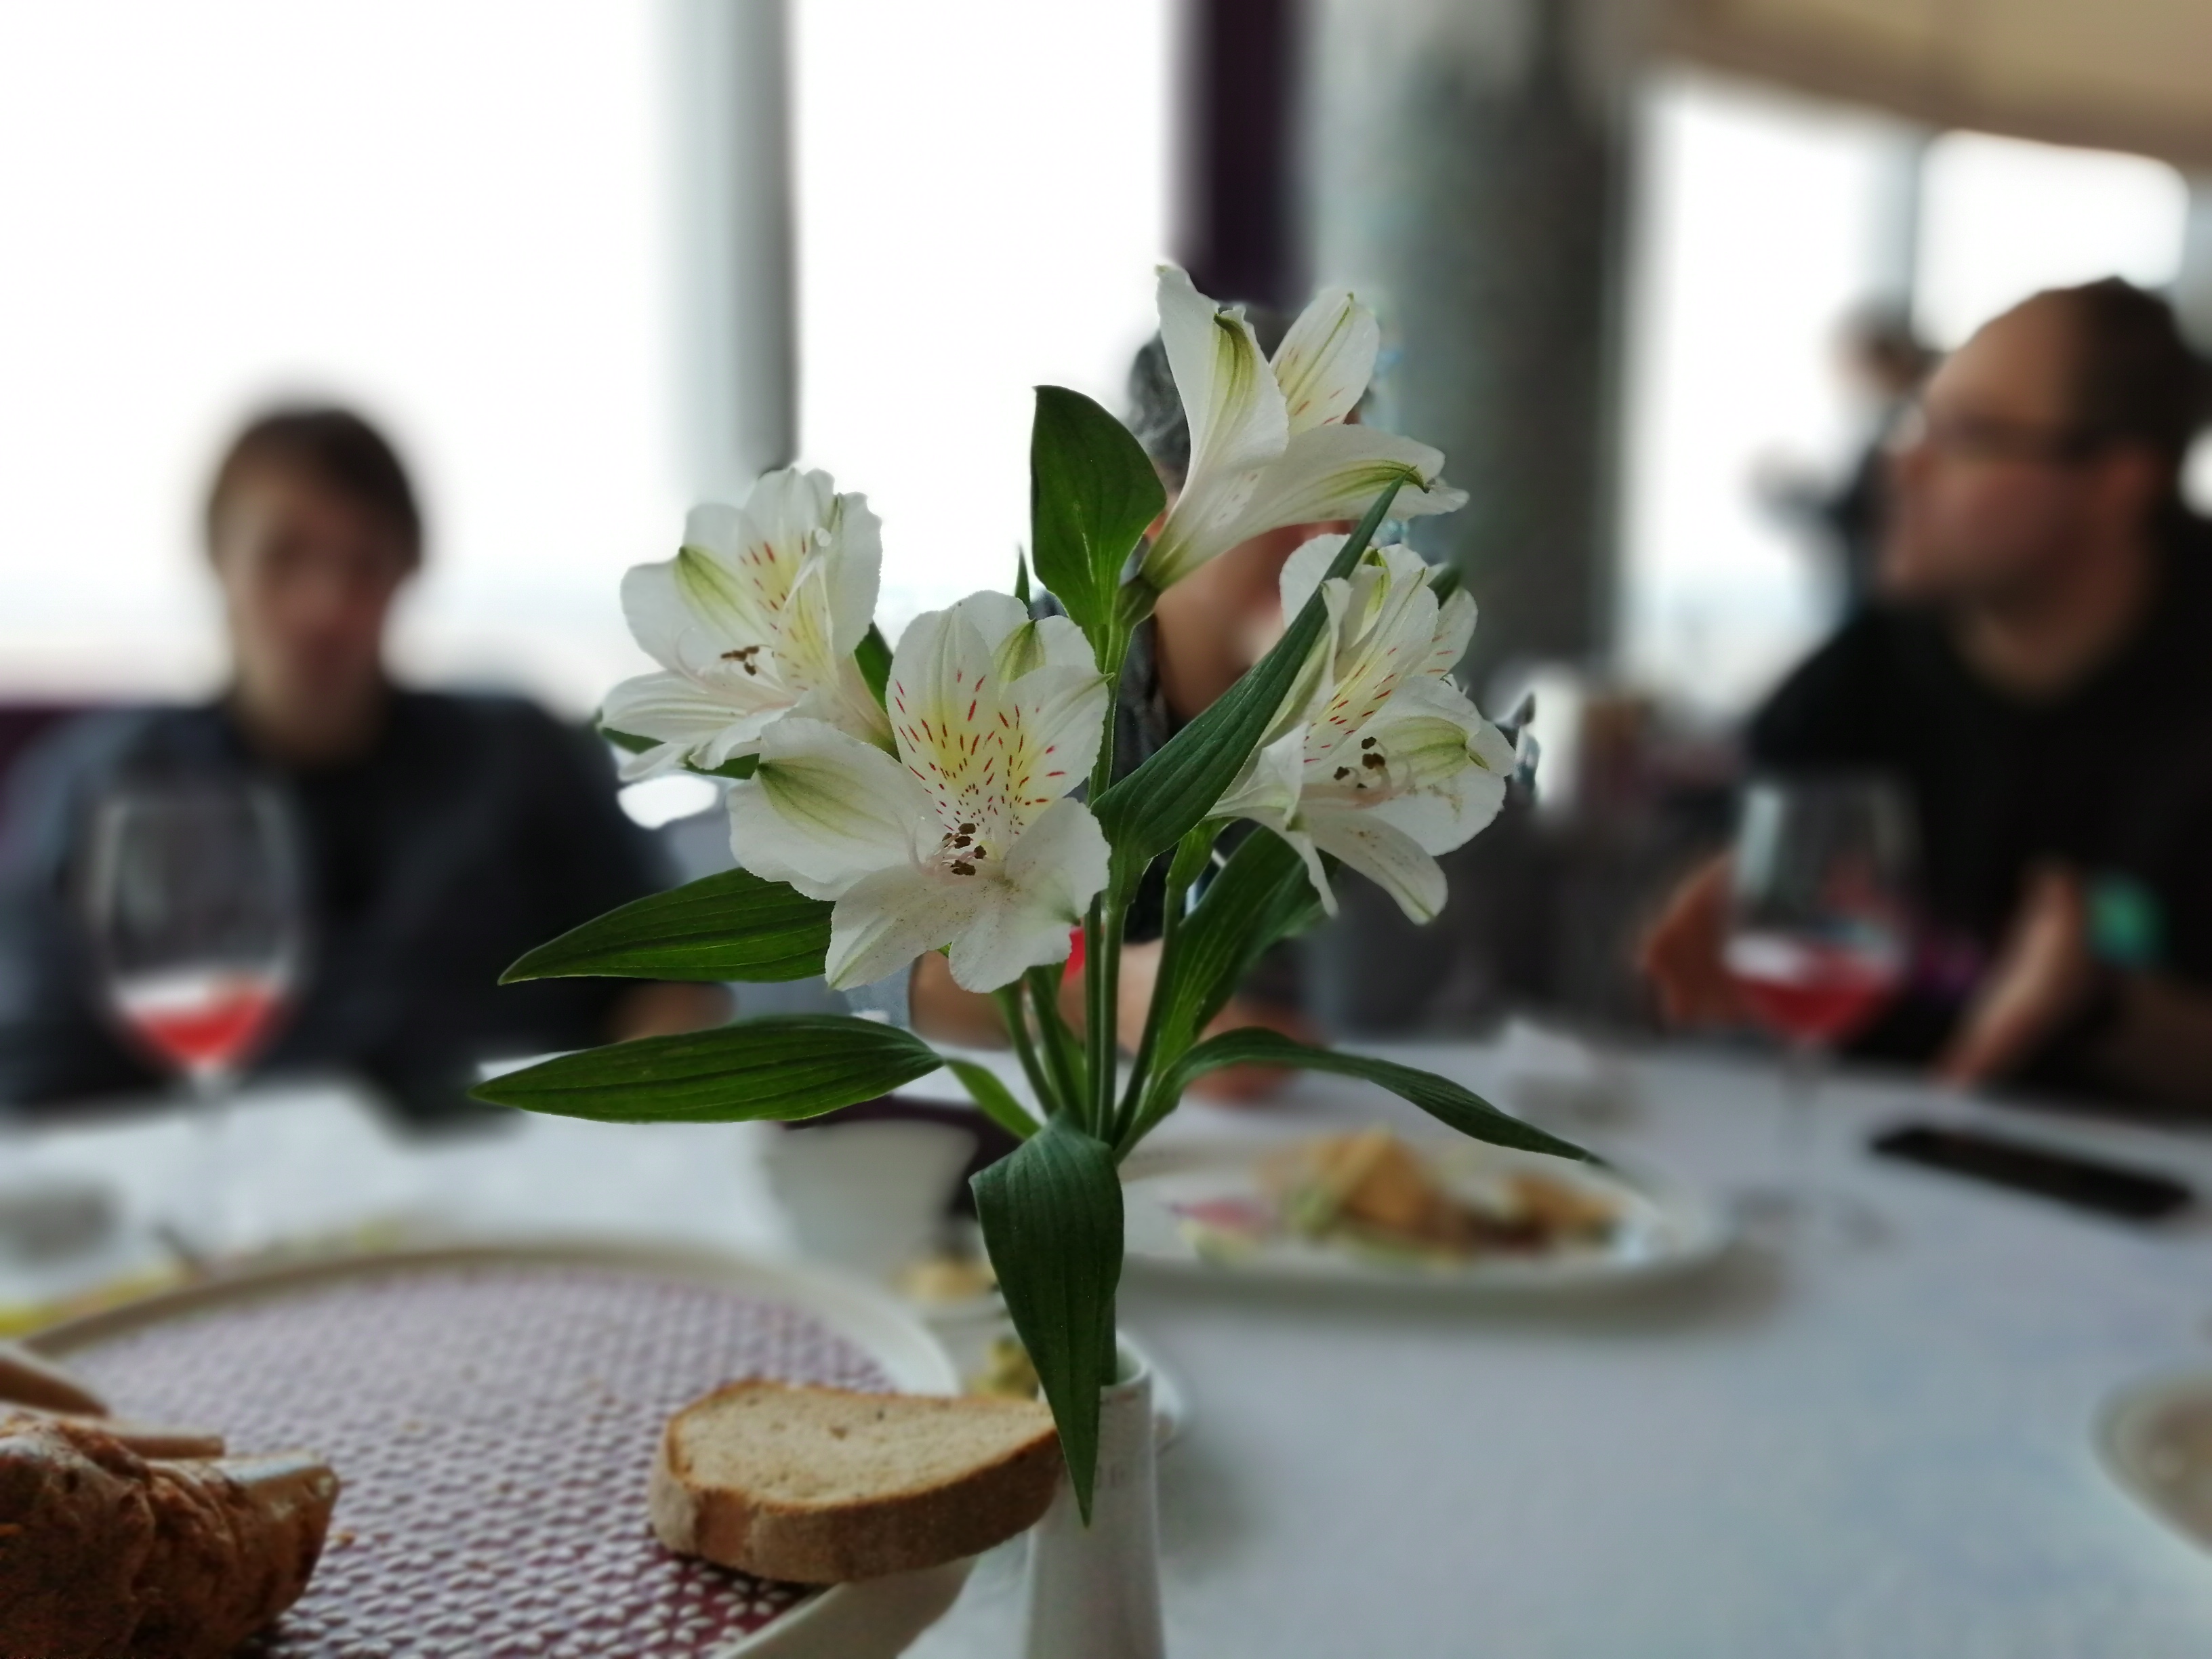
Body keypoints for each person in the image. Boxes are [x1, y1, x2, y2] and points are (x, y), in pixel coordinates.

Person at [0, 407, 722, 1116]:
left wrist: (637, 1123)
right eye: (284, 555)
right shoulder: (105, 787)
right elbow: (40, 1074)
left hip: (518, 1164)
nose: (325, 604)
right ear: (218, 560)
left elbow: (667, 979)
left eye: (362, 562)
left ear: (407, 571)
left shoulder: (520, 753)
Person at [1642, 279, 2212, 1111]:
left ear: (2118, 482)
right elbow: (1704, 936)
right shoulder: (1858, 680)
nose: (1901, 463)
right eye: (1916, 420)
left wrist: (2099, 1002)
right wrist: (1702, 918)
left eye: (1969, 434)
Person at [907, 313, 1332, 1092]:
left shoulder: (1360, 697)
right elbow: (905, 963)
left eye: (1359, 490)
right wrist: (1109, 995)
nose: (1336, 535)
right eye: (1289, 485)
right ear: (1157, 504)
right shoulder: (1017, 677)